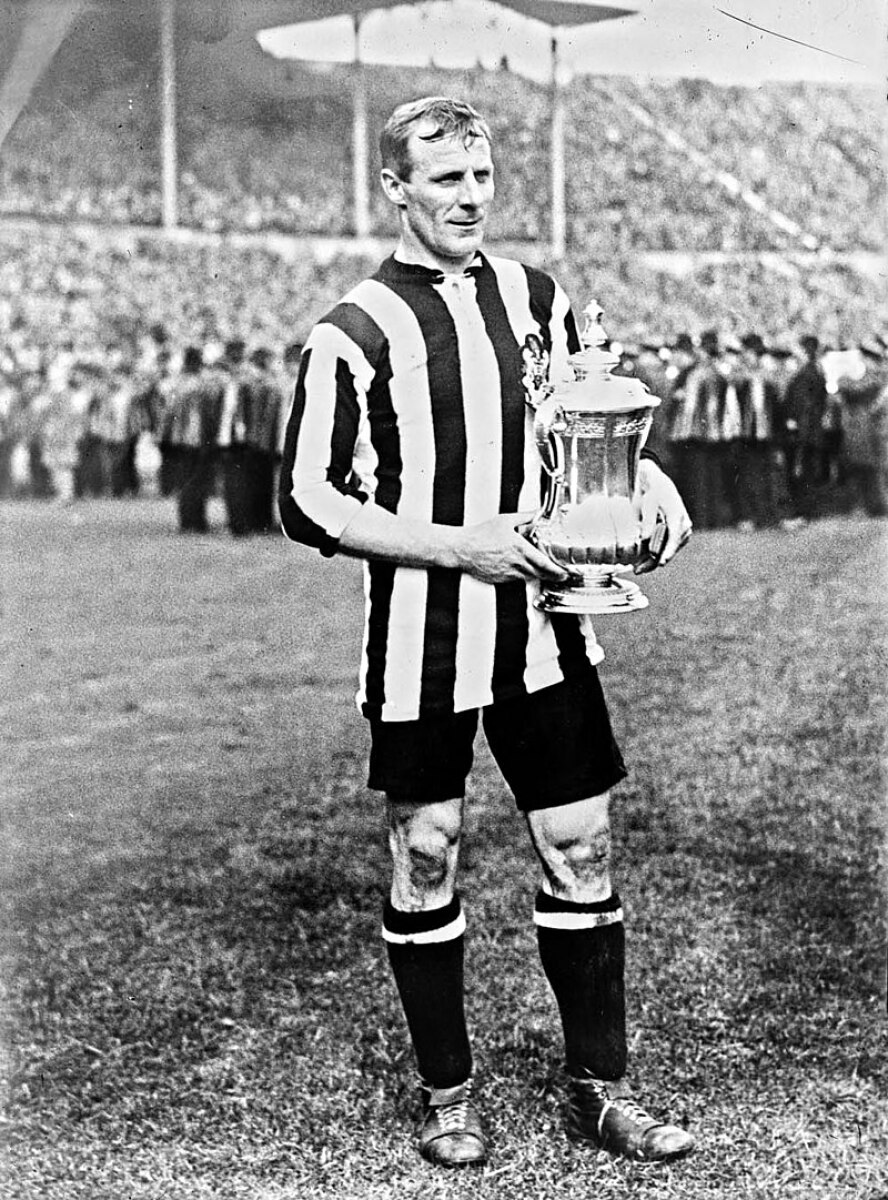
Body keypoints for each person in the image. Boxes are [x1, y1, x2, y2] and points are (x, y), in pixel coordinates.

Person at [279, 96, 695, 1170]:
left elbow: (590, 425)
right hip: (423, 637)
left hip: (547, 628)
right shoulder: (352, 331)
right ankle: (448, 1097)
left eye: (482, 177)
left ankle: (601, 1090)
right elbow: (307, 501)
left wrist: (647, 480)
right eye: (446, 179)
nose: (470, 198)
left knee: (582, 843)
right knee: (428, 850)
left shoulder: (537, 298)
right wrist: (462, 546)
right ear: (395, 188)